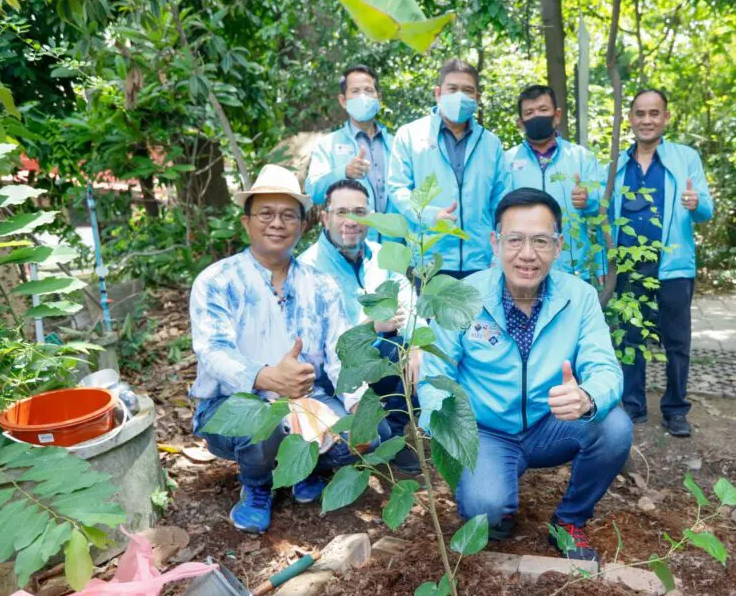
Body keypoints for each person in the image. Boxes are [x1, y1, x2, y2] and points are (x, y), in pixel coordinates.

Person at [417, 188, 632, 564]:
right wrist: (446, 430)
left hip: (550, 425)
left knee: (614, 426)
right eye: (515, 239)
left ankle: (568, 520)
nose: (527, 254)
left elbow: (605, 367)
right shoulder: (463, 296)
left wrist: (587, 397)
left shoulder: (579, 297)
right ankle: (496, 497)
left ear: (558, 245)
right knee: (485, 510)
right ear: (495, 242)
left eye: (541, 241)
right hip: (485, 431)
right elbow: (436, 373)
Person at [189, 164, 387, 534]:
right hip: (233, 404)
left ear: (302, 224)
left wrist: (358, 401)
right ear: (246, 222)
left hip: (307, 403)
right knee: (262, 426)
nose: (277, 223)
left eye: (288, 215)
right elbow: (213, 352)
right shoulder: (216, 281)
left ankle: (301, 470)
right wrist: (266, 378)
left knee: (371, 434)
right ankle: (258, 486)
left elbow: (341, 353)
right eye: (266, 214)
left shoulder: (320, 285)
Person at [299, 178, 421, 473]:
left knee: (416, 354)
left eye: (360, 212)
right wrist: (369, 326)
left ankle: (394, 432)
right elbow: (313, 343)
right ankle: (380, 436)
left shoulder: (383, 255)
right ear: (325, 217)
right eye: (341, 212)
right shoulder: (308, 268)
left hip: (382, 357)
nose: (351, 220)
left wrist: (417, 344)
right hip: (333, 372)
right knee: (367, 435)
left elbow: (410, 301)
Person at [610, 89, 713, 437]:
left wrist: (695, 203)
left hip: (673, 266)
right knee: (629, 337)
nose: (647, 120)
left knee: (676, 341)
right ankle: (633, 406)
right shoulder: (616, 161)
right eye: (640, 113)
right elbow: (601, 211)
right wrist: (584, 203)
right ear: (631, 119)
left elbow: (706, 211)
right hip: (627, 266)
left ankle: (675, 409)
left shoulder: (685, 157)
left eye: (654, 113)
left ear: (666, 118)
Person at [388, 58, 511, 279]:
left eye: (467, 90)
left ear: (477, 98)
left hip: (481, 261)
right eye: (452, 89)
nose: (459, 96)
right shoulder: (410, 135)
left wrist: (499, 251)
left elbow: (502, 201)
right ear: (438, 93)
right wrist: (430, 216)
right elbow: (398, 190)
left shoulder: (490, 143)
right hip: (429, 258)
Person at [505, 84, 606, 280]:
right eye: (529, 112)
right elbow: (497, 218)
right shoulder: (507, 161)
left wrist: (589, 200)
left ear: (557, 115)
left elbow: (606, 208)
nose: (537, 116)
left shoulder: (581, 158)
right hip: (523, 269)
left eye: (543, 110)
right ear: (520, 122)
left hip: (574, 268)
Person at [306, 65, 394, 241]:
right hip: (348, 245)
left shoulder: (396, 143)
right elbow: (313, 192)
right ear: (343, 100)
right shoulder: (328, 144)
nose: (363, 96)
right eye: (355, 91)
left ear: (379, 97)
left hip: (394, 247)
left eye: (369, 90)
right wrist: (343, 173)